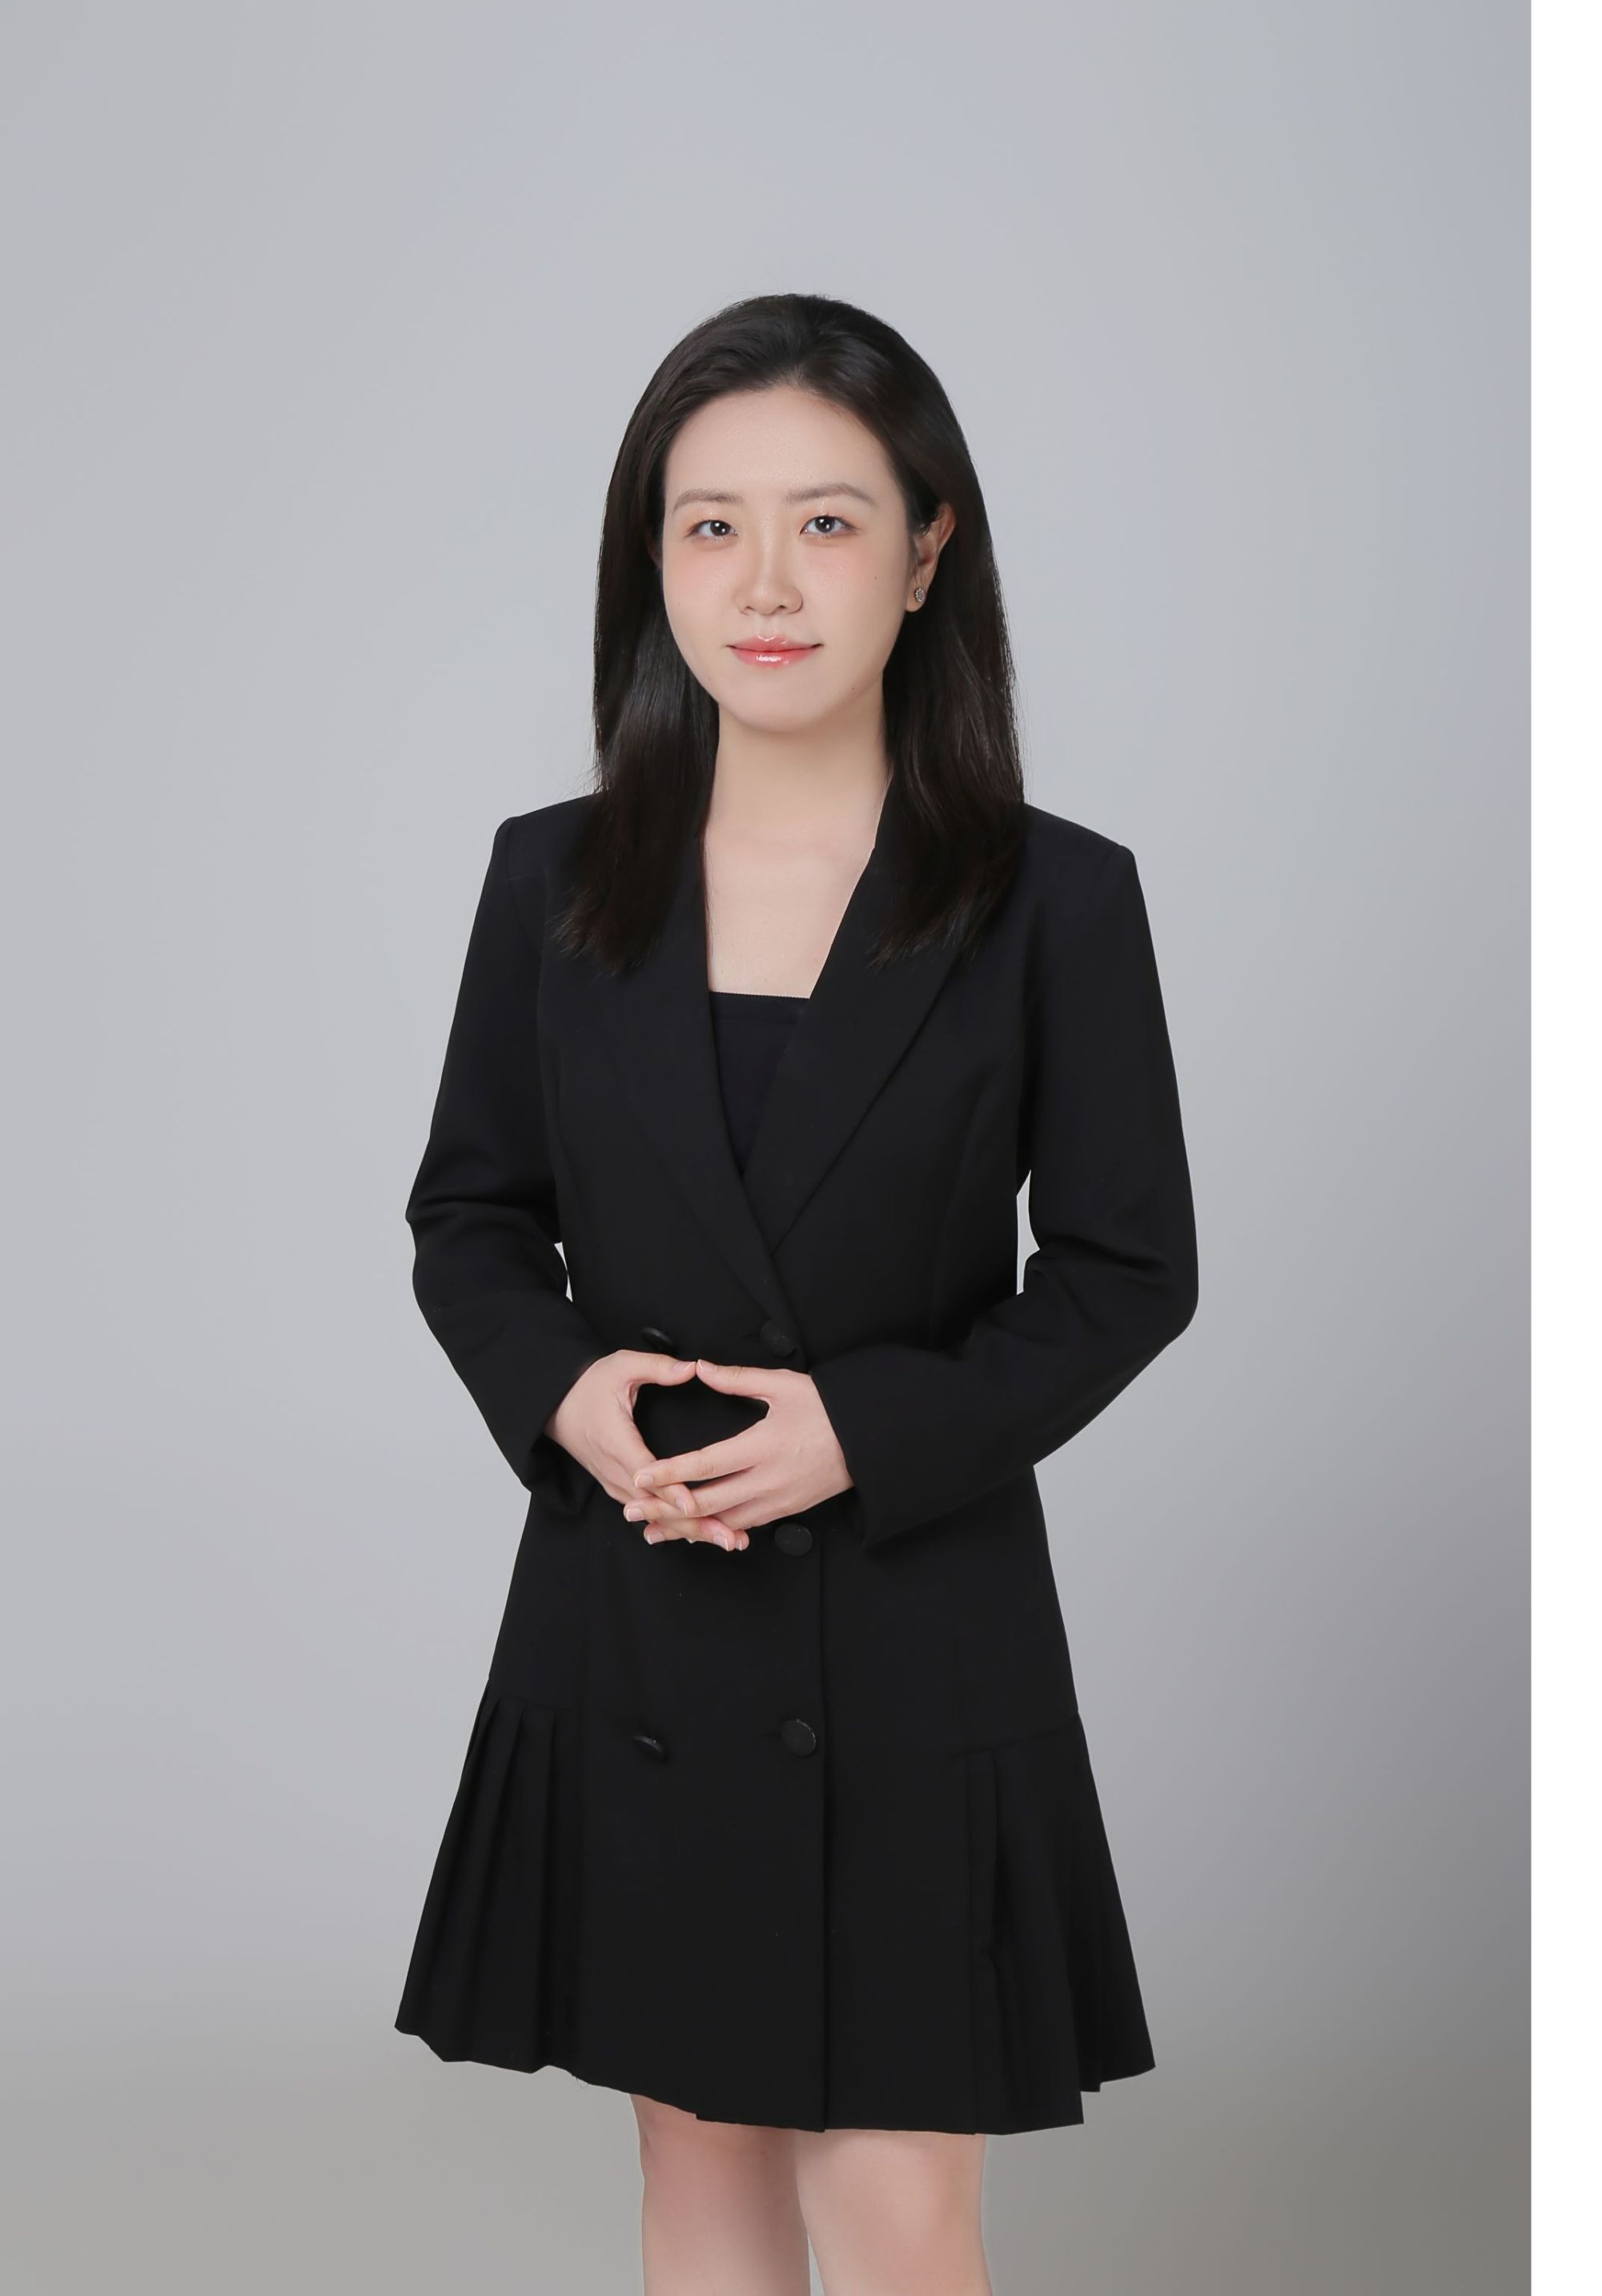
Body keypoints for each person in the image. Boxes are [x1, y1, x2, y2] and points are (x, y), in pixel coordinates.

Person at [394, 291, 1198, 2296]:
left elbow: (1126, 1270)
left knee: (902, 2207)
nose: (764, 583)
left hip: (921, 1614)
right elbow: (471, 1215)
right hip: (645, 1599)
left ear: (926, 554)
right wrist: (564, 1392)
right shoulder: (552, 880)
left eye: (826, 523)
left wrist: (865, 1429)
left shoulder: (1054, 897)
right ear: (650, 562)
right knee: (703, 2181)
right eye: (711, 526)